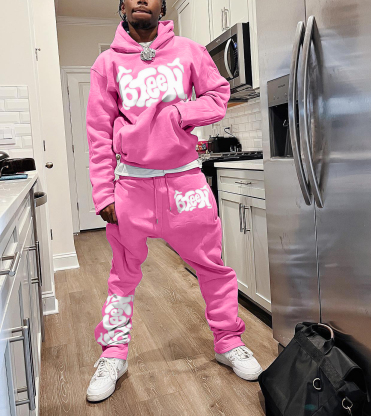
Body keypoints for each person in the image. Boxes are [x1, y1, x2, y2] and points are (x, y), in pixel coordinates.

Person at [85, 0, 263, 402]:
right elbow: (98, 134)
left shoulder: (188, 51)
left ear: (162, 5)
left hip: (186, 183)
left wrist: (180, 113)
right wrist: (103, 192)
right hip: (131, 187)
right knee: (122, 276)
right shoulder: (107, 64)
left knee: (212, 267)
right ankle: (113, 354)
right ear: (122, 5)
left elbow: (218, 95)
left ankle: (228, 341)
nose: (141, 0)